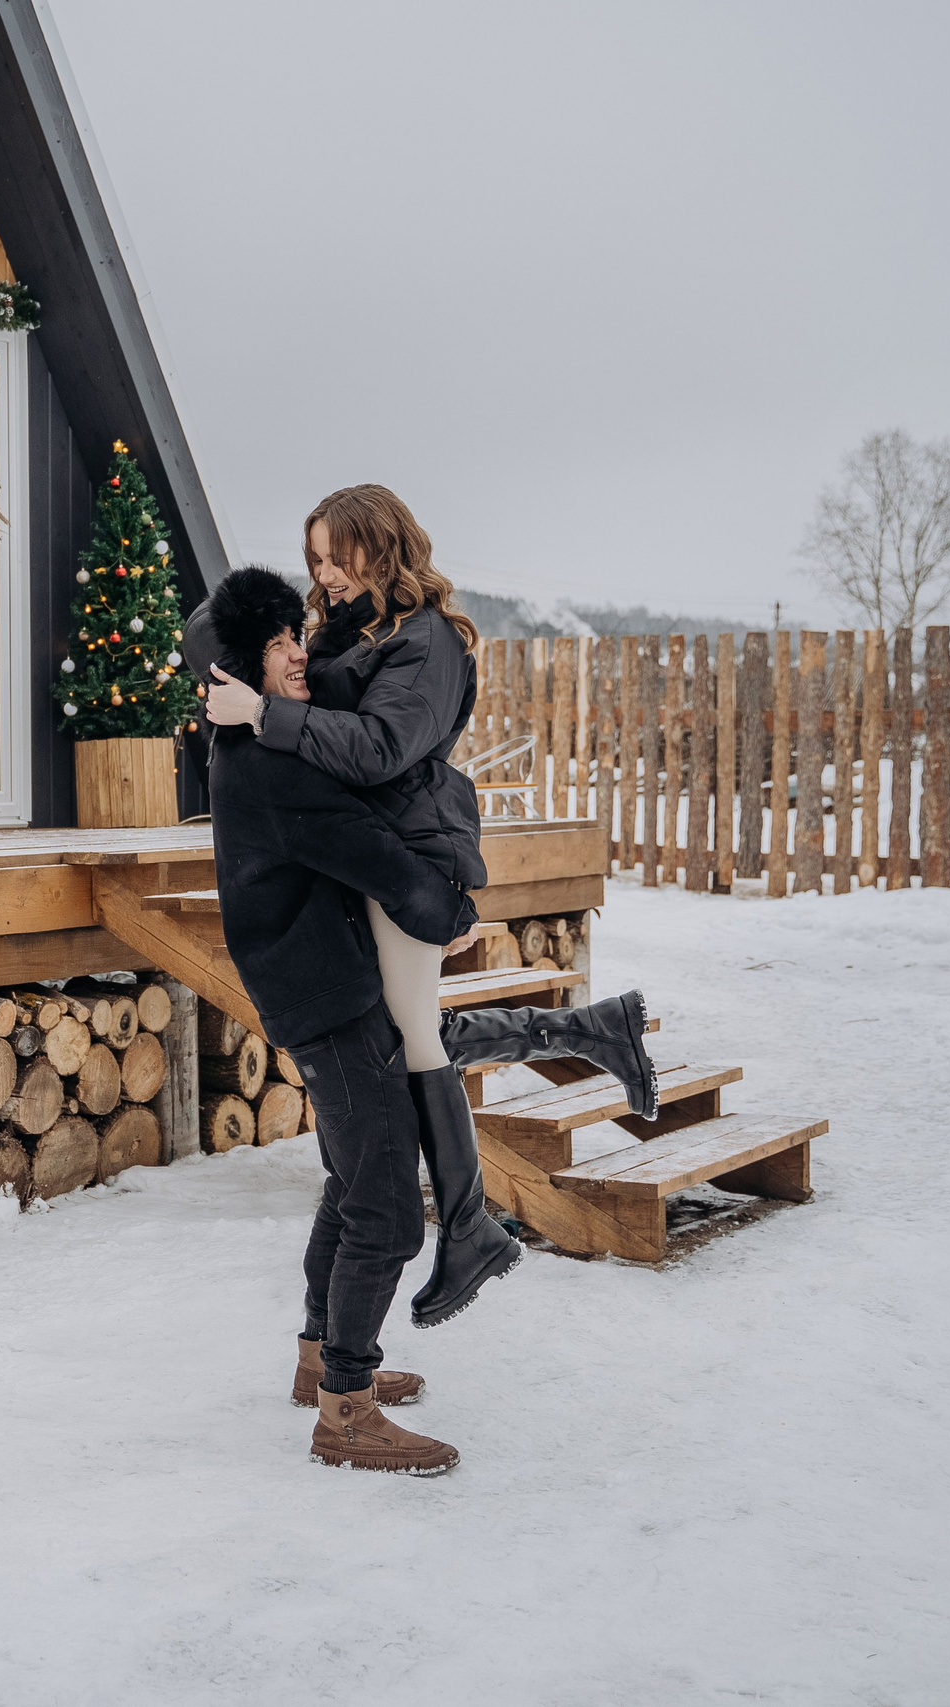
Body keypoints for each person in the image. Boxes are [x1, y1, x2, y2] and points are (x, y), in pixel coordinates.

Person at [204, 486, 660, 1335]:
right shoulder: (354, 629)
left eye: (338, 556)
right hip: (371, 855)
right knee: (415, 1035)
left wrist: (265, 713)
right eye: (315, 559)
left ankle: (469, 1225)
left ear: (382, 546)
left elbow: (380, 747)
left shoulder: (428, 641)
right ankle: (592, 1032)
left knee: (415, 1038)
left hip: (409, 853)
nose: (324, 574)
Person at [185, 565, 473, 1473]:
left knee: (351, 1183)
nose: (296, 653)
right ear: (238, 668)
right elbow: (374, 855)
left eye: (293, 635)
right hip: (333, 1000)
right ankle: (347, 1407)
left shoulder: (250, 750)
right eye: (275, 645)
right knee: (386, 1207)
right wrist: (451, 912)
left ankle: (320, 1359)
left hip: (315, 990)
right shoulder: (271, 765)